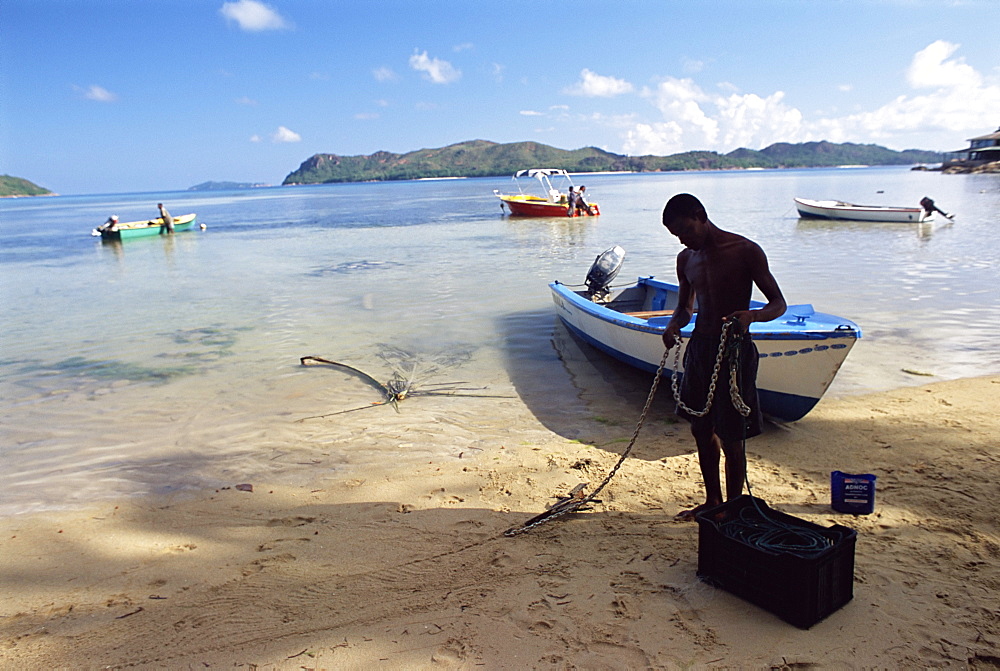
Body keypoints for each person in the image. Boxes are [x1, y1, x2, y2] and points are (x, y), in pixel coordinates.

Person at [660, 193, 787, 521]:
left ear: (700, 215)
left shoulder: (745, 251)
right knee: (701, 430)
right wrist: (674, 323)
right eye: (676, 236)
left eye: (685, 231)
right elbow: (685, 308)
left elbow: (778, 303)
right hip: (700, 351)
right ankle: (713, 501)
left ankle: (732, 507)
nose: (683, 239)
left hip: (734, 353)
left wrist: (752, 317)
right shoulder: (685, 259)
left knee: (732, 435)